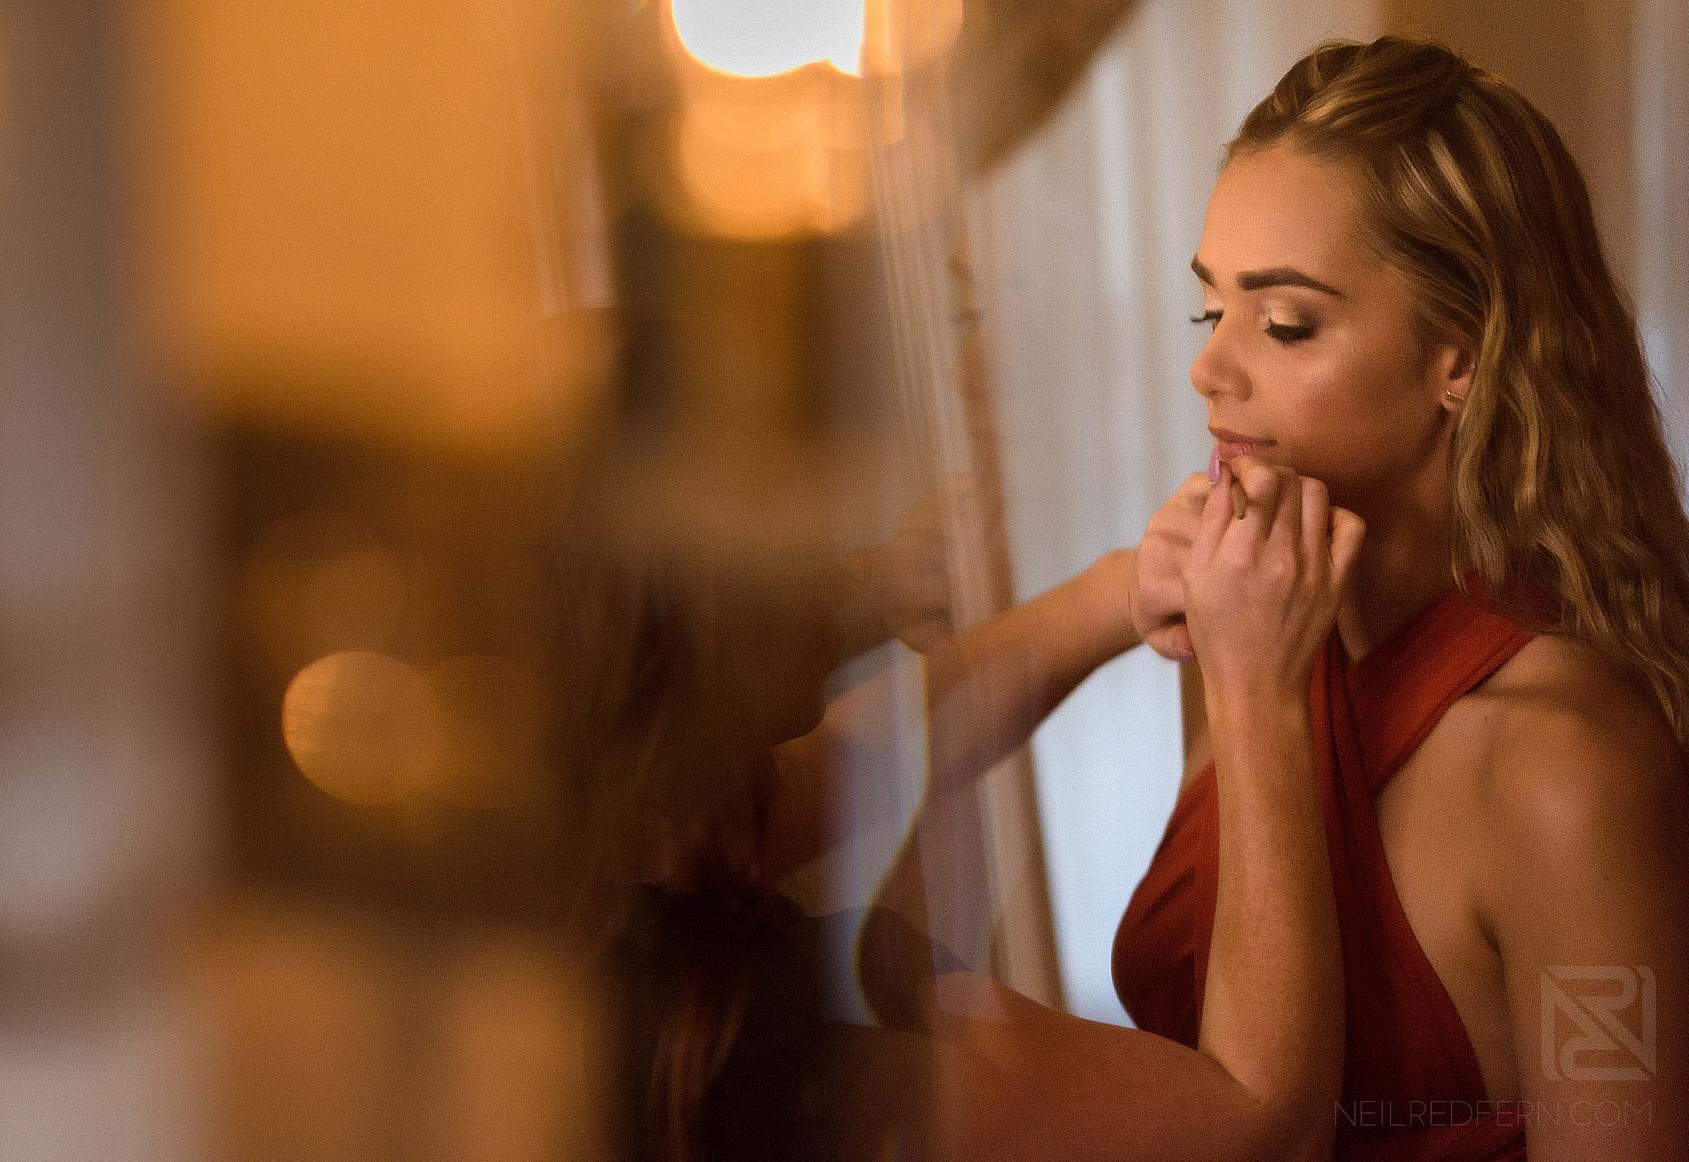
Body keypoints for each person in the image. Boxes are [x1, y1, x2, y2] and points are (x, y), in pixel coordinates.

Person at [1109, 36, 1689, 1160]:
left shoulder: (1565, 771)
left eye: (1284, 323)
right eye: (1208, 312)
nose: (1209, 370)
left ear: (1459, 359)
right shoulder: (1255, 645)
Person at [546, 414, 1364, 1159]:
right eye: (771, 508)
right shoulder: (750, 1049)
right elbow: (1264, 1126)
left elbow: (878, 747)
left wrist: (1125, 587)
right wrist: (1257, 683)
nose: (830, 533)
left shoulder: (620, 839)